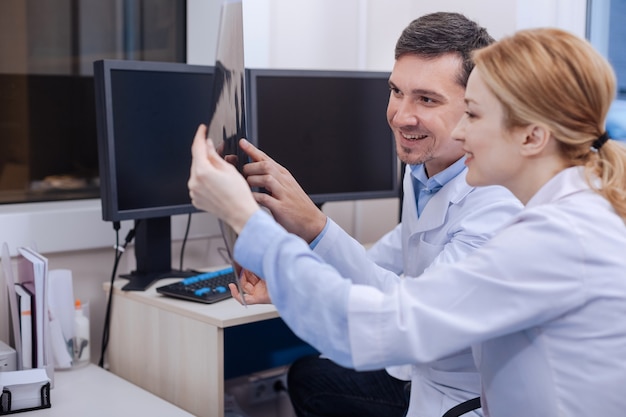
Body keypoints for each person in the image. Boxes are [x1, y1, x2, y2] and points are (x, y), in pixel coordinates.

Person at [188, 26, 626, 416]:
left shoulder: (553, 238)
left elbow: (382, 326)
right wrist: (294, 275)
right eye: (397, 92)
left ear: (532, 136)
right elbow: (393, 265)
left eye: (472, 114)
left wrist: (244, 217)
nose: (459, 133)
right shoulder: (566, 213)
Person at [234, 12, 522, 417]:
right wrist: (294, 276)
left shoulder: (498, 204)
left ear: (475, 107)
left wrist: (315, 228)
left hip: (460, 393)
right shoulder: (424, 165)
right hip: (416, 370)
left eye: (427, 99)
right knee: (310, 377)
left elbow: (414, 311)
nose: (401, 116)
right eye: (396, 91)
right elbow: (399, 245)